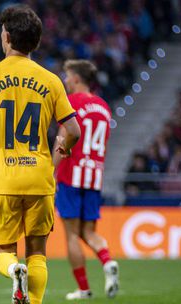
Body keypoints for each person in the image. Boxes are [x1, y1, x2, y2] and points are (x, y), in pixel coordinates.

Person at [0, 5, 81, 304]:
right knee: (38, 253)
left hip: (2, 179)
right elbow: (74, 130)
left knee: (1, 251)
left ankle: (14, 269)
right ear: (36, 41)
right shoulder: (51, 80)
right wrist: (63, 150)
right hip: (39, 178)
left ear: (6, 37)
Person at [53, 59, 119, 300]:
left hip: (71, 174)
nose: (66, 80)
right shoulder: (103, 107)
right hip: (93, 176)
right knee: (89, 232)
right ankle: (108, 262)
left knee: (71, 234)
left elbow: (63, 138)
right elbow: (106, 145)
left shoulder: (70, 102)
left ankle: (83, 289)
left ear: (77, 78)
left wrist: (51, 171)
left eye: (68, 76)